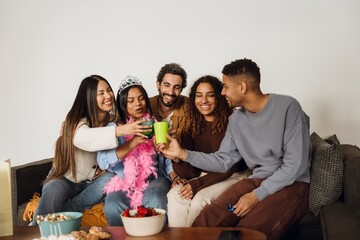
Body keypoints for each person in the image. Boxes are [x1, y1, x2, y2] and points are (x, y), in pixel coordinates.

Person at [158, 58, 311, 240]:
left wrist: (256, 196)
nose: (222, 93)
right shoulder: (236, 119)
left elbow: (294, 165)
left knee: (248, 231)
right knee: (206, 220)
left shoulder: (288, 107)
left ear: (242, 87)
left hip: (292, 184)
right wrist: (181, 153)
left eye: (225, 86)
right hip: (257, 179)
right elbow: (223, 161)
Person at [31, 75, 150, 225]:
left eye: (109, 90)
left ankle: (69, 210)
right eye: (101, 93)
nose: (108, 96)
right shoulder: (77, 121)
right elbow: (83, 138)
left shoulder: (113, 119)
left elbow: (136, 104)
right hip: (66, 178)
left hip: (92, 182)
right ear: (89, 97)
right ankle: (35, 229)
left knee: (110, 179)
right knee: (53, 187)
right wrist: (122, 130)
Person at [167, 75, 249, 227]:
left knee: (200, 200)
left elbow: (229, 165)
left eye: (210, 95)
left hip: (234, 175)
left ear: (220, 97)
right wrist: (176, 158)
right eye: (199, 96)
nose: (203, 100)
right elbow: (189, 174)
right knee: (175, 195)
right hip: (205, 176)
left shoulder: (233, 122)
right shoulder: (192, 125)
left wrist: (197, 184)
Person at [97, 76, 176, 226]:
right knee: (113, 204)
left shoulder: (156, 125)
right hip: (123, 181)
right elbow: (102, 162)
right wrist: (133, 142)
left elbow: (167, 161)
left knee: (155, 199)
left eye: (141, 99)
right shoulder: (115, 129)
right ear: (123, 104)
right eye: (131, 101)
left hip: (154, 179)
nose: (138, 104)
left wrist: (175, 175)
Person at [149, 63, 188, 144]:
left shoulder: (189, 107)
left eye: (176, 87)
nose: (171, 92)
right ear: (158, 85)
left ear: (181, 89)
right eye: (167, 85)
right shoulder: (145, 106)